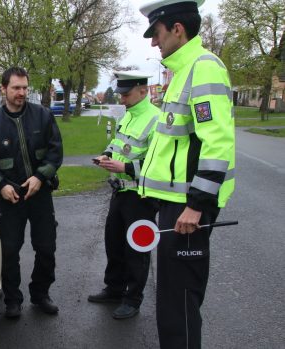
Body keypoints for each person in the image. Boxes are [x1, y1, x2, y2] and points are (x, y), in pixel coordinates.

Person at [138, 1, 236, 347]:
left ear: (177, 29)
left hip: (187, 210)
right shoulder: (183, 71)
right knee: (170, 301)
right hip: (175, 204)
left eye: (157, 33)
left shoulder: (203, 67)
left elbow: (218, 143)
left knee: (178, 304)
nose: (154, 42)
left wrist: (196, 204)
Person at [0, 67, 63, 318]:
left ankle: (41, 294)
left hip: (40, 194)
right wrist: (1, 186)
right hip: (11, 198)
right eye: (16, 88)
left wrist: (40, 176)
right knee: (9, 251)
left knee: (46, 247)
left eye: (25, 88)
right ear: (3, 89)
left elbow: (55, 151)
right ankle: (12, 300)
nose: (21, 93)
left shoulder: (43, 116)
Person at [87, 71, 160, 320]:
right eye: (121, 95)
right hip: (120, 192)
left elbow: (157, 166)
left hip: (141, 196)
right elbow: (117, 143)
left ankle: (132, 298)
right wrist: (106, 155)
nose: (122, 100)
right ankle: (115, 288)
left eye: (127, 95)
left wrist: (125, 168)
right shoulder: (128, 115)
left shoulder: (156, 120)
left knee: (136, 250)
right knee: (114, 242)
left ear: (143, 90)